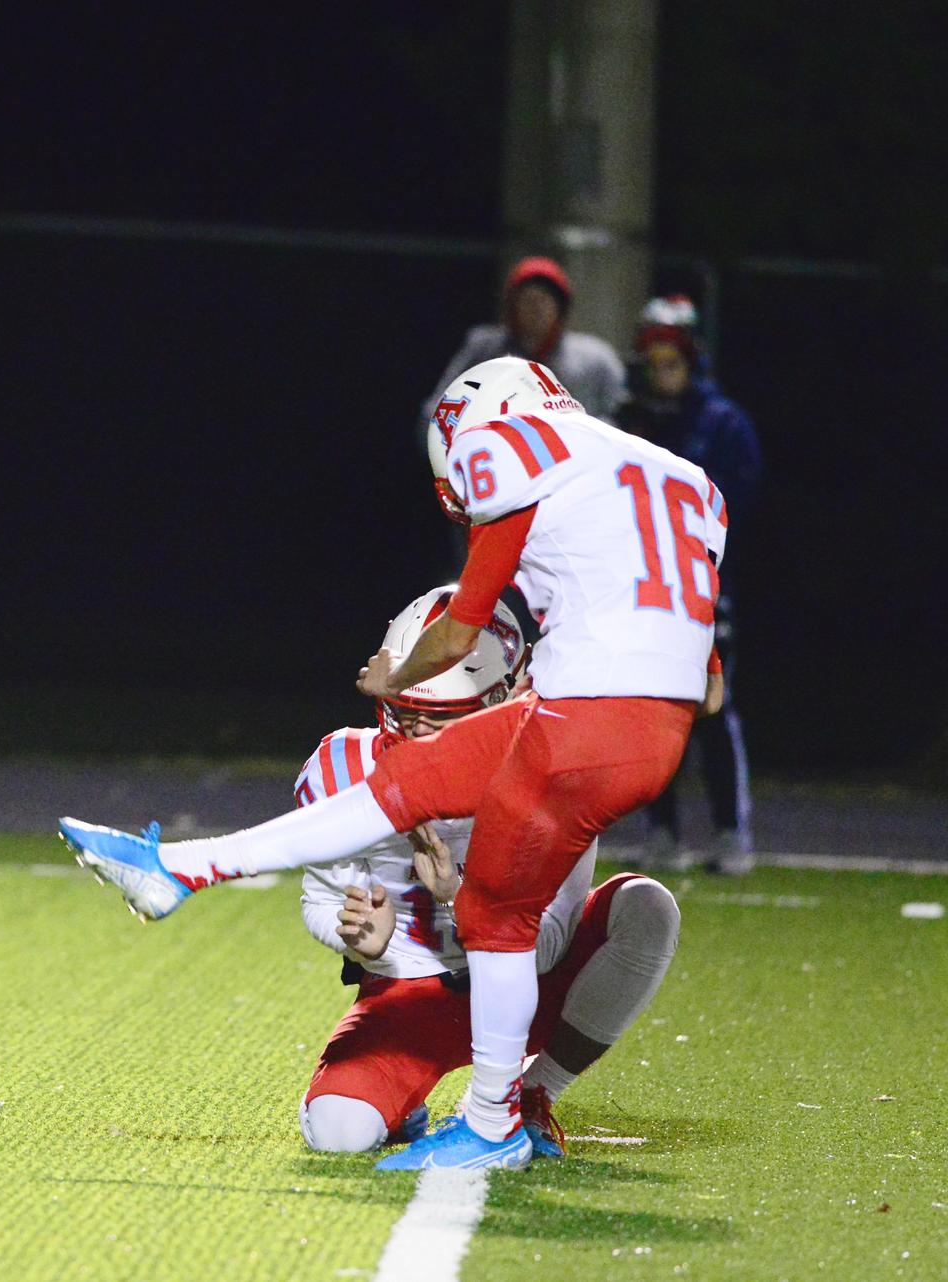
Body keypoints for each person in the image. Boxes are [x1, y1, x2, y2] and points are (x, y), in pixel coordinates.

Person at [61, 354, 725, 1171]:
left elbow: (457, 632)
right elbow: (710, 689)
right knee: (406, 794)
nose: (418, 722)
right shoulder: (683, 481)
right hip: (641, 725)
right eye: (409, 712)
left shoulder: (516, 450)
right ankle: (180, 869)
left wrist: (395, 677)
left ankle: (498, 1120)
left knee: (492, 914)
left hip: (581, 722)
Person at [296, 586, 679, 1158]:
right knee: (339, 1134)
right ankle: (401, 1103)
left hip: (525, 988)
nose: (418, 735)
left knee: (647, 908)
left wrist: (458, 897)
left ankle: (534, 1091)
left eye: (441, 719)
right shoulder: (343, 766)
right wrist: (360, 940)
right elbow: (320, 900)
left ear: (506, 701)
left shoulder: (554, 778)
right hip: (410, 994)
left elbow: (546, 949)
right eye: (406, 713)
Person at [619, 296, 763, 875]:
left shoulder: (721, 421)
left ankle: (731, 834)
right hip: (647, 588)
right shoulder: (630, 422)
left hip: (702, 587)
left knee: (714, 709)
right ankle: (662, 832)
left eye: (671, 361)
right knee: (654, 709)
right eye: (654, 361)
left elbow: (738, 501)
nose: (662, 373)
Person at [422, 257, 627, 429]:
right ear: (512, 307)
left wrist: (582, 433)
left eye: (544, 300)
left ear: (560, 308)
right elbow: (437, 411)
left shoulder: (596, 358)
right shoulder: (483, 349)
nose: (536, 309)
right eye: (528, 300)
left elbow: (622, 419)